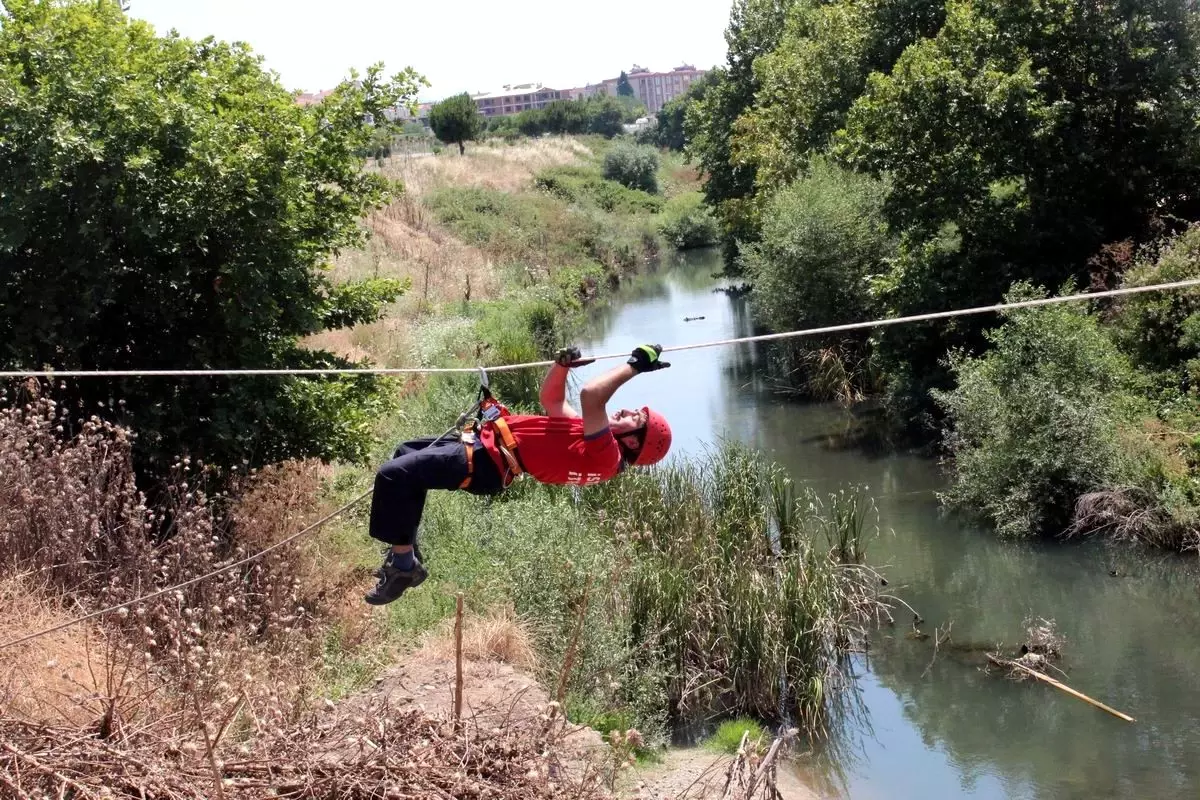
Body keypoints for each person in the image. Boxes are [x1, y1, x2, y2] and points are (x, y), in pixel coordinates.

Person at [364, 344, 673, 605]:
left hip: (487, 461)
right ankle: (405, 552)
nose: (629, 411)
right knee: (406, 454)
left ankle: (404, 567)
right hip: (485, 448)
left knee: (393, 475)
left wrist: (634, 366)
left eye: (637, 418)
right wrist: (561, 367)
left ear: (633, 441)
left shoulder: (607, 455)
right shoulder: (594, 442)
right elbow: (552, 401)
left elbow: (592, 394)